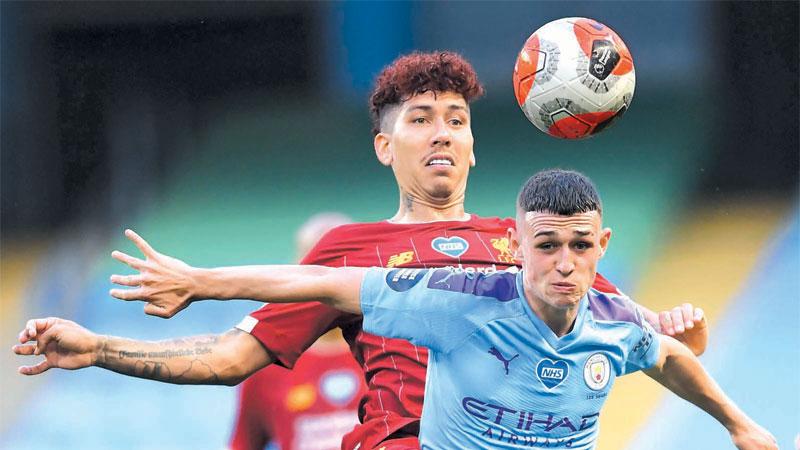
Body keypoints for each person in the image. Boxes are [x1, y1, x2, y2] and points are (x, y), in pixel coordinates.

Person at [15, 52, 706, 450]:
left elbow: (652, 335)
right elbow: (229, 359)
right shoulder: (345, 251)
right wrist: (99, 348)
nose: (442, 133)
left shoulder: (530, 239)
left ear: (472, 144)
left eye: (456, 121)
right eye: (420, 120)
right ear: (385, 145)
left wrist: (680, 327)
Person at [15, 169, 775, 449]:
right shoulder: (457, 303)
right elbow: (316, 289)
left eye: (580, 246)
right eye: (547, 246)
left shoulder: (609, 312)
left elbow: (668, 351)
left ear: (601, 244)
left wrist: (740, 424)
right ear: (516, 243)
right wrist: (197, 280)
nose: (564, 262)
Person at [228, 212, 367, 450]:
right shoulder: (264, 363)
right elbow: (242, 443)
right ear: (296, 271)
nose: (328, 280)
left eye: (343, 264)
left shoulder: (398, 350)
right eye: (317, 266)